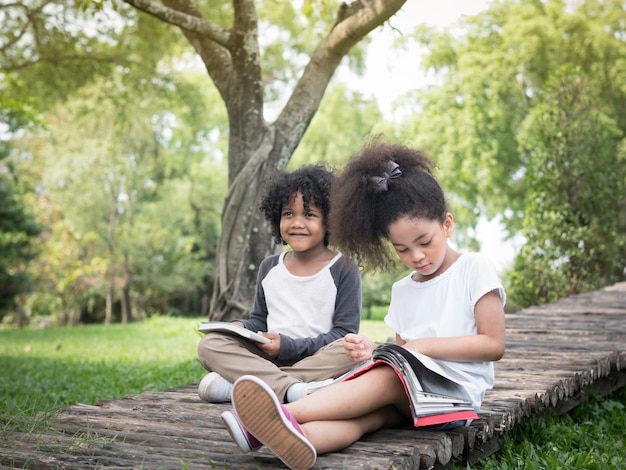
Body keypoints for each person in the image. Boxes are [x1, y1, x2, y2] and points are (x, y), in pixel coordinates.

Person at [222, 141, 507, 470]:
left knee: (385, 380)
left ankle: (271, 418)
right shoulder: (403, 289)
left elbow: (493, 344)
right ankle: (298, 439)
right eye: (402, 249)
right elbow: (403, 356)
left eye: (425, 242)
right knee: (365, 419)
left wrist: (421, 346)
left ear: (446, 224)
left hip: (455, 397)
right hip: (413, 396)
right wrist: (374, 351)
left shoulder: (472, 268)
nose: (416, 256)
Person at [196, 164, 362, 417]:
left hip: (318, 360)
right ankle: (292, 390)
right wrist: (242, 327)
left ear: (330, 221)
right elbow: (260, 320)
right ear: (277, 218)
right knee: (210, 345)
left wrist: (289, 347)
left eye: (309, 215)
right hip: (267, 359)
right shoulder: (270, 266)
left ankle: (242, 387)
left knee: (350, 350)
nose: (297, 223)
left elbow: (344, 332)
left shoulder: (344, 267)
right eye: (288, 214)